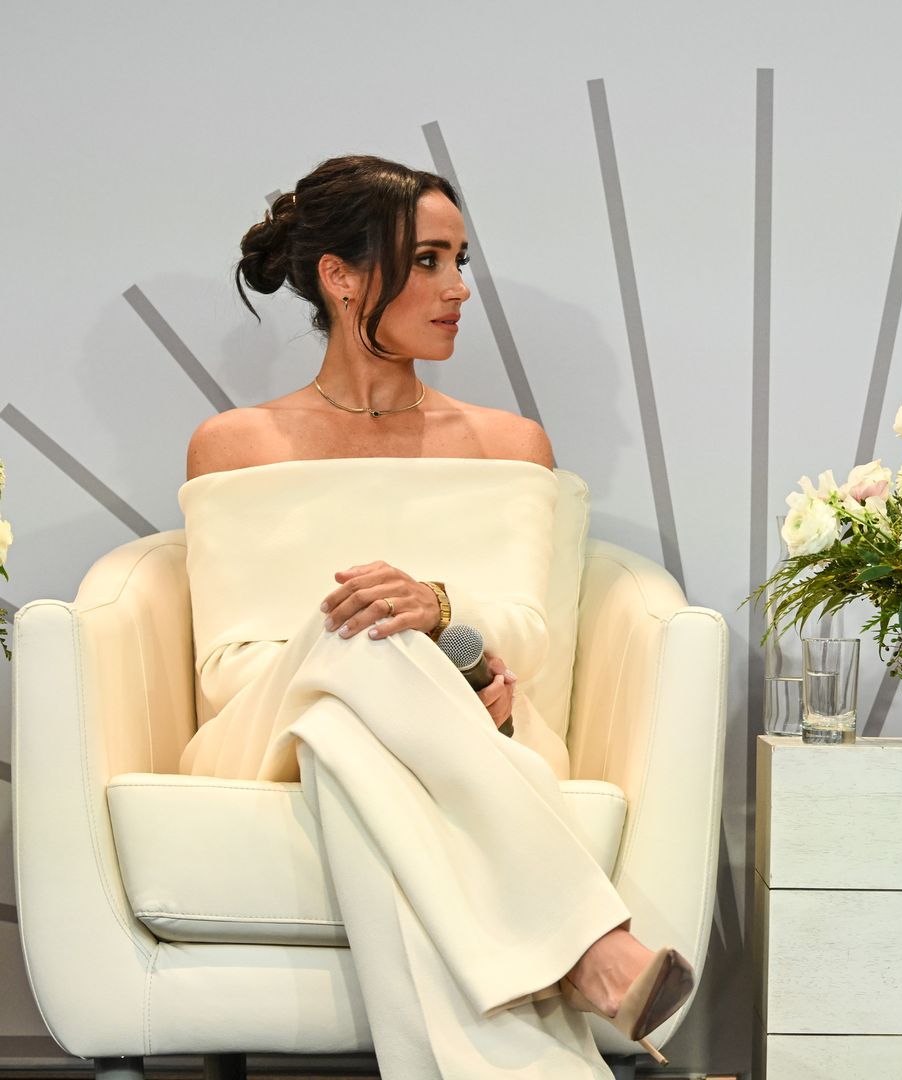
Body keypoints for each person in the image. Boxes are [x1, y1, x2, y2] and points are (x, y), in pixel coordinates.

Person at [178, 155, 692, 1078]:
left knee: (352, 740)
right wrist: (389, 645)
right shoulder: (236, 444)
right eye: (426, 262)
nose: (457, 289)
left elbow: (526, 633)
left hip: (449, 727)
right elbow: (226, 667)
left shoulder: (507, 443)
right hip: (263, 734)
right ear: (340, 277)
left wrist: (443, 630)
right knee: (355, 633)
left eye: (461, 260)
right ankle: (592, 948)